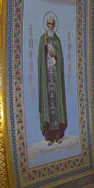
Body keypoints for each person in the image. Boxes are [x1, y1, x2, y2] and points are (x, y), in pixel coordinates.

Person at [38, 13, 67, 145]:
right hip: (47, 76)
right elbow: (40, 59)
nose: (50, 26)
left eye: (52, 24)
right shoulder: (42, 39)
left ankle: (58, 135)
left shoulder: (57, 40)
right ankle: (50, 137)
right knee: (49, 104)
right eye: (49, 24)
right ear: (46, 25)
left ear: (54, 26)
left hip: (55, 76)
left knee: (57, 104)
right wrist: (45, 47)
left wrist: (55, 55)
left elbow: (60, 58)